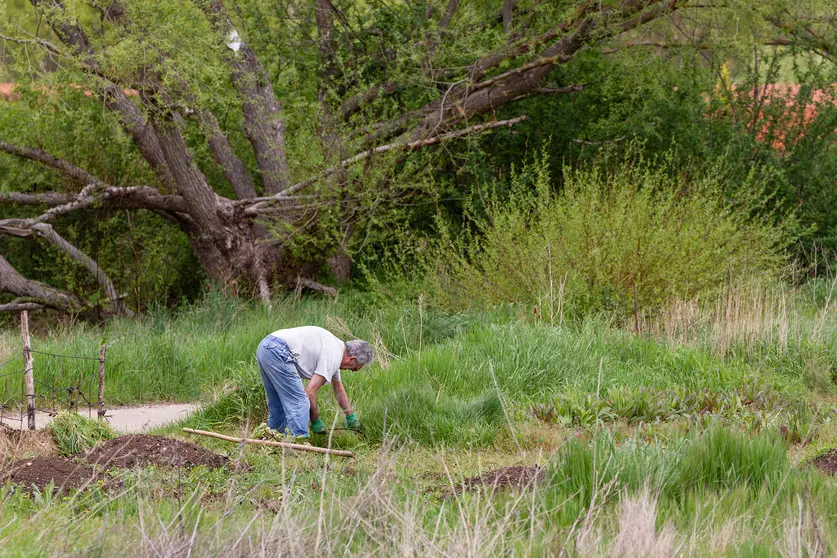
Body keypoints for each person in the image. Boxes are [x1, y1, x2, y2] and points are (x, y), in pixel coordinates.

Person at [252, 326, 374, 442]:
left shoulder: (335, 349)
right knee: (300, 402)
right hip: (278, 351)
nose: (353, 371)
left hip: (266, 347)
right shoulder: (333, 357)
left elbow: (338, 388)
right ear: (351, 359)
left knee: (277, 403)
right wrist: (315, 420)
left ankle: (274, 439)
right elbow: (310, 392)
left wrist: (350, 416)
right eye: (356, 368)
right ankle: (300, 443)